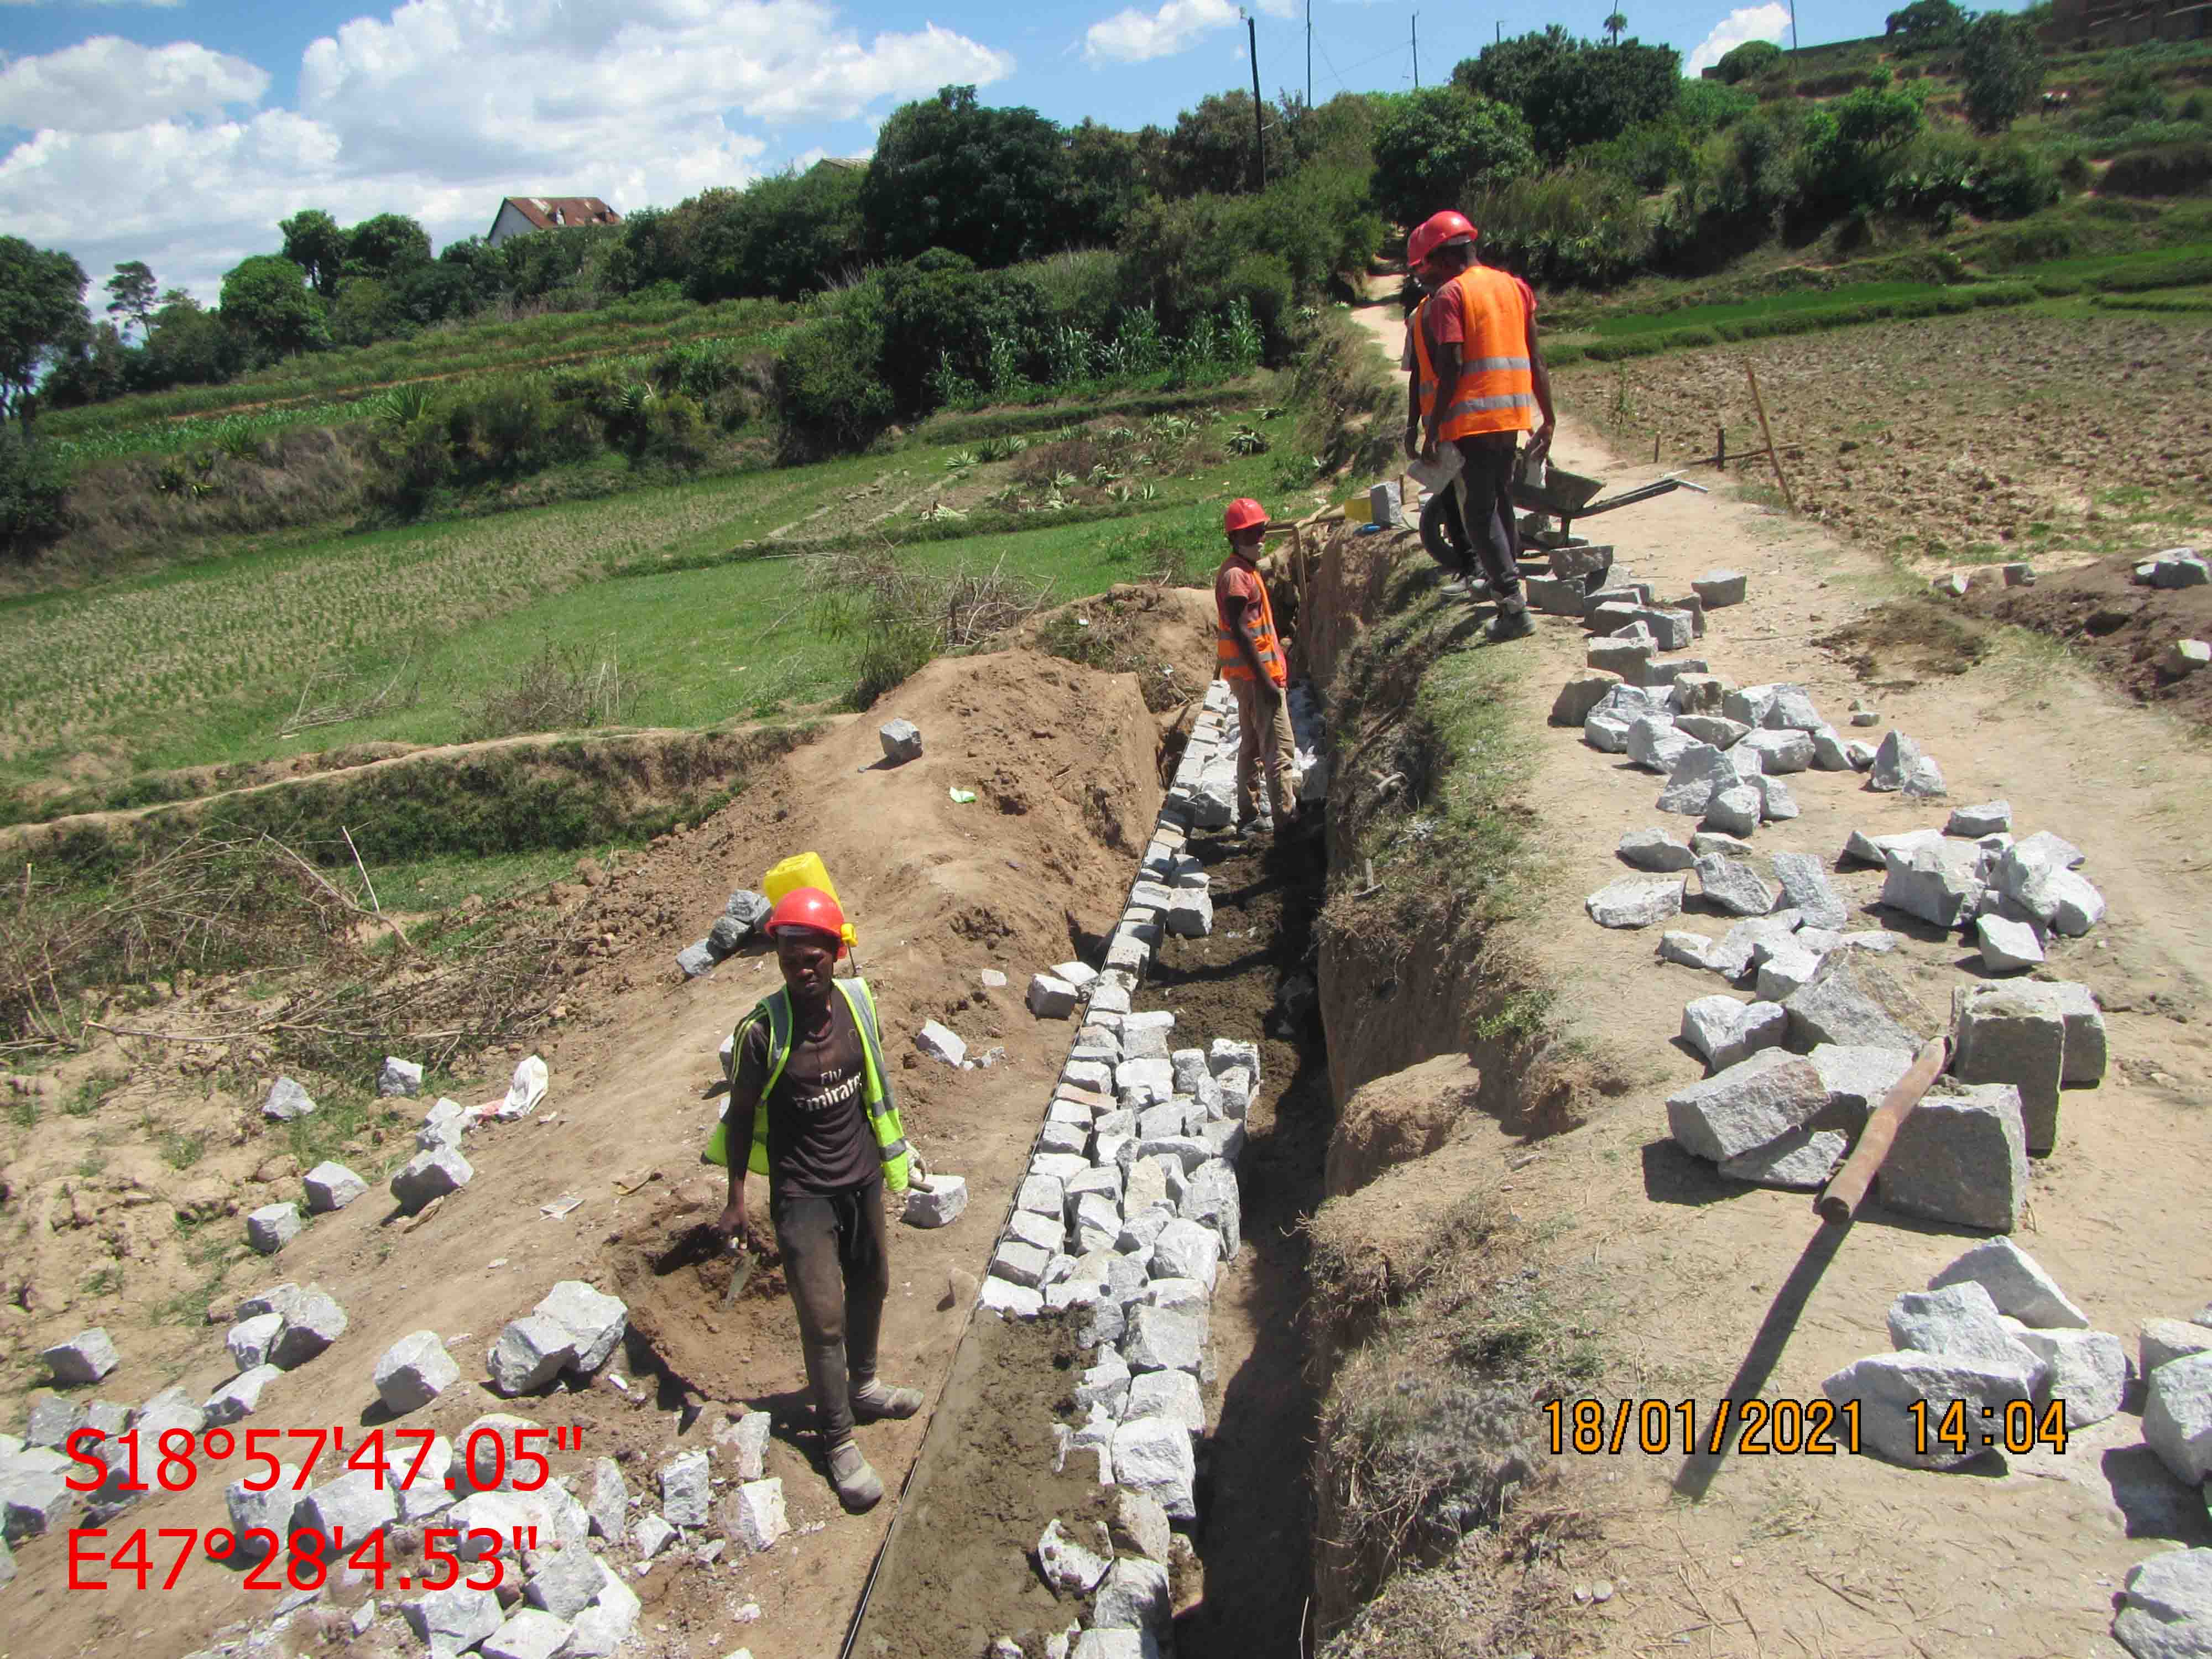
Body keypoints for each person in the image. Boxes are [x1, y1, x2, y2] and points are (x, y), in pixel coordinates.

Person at [712, 886, 920, 1512]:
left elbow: (873, 1086)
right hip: (803, 1193)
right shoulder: (761, 1032)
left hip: (859, 1179)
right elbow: (742, 1115)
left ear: (836, 954)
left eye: (813, 958)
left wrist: (890, 1162)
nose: (801, 970)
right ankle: (836, 1439)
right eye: (789, 957)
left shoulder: (858, 1006)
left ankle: (864, 1386)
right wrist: (735, 1198)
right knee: (823, 1318)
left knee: (874, 1283)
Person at [1406, 208, 1557, 642]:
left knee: (1477, 512)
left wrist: (1432, 430)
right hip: (1509, 415)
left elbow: (1452, 366)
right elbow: (1536, 358)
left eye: (1426, 264)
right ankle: (1510, 589)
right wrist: (1548, 417)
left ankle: (1512, 605)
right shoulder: (1515, 287)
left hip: (1471, 420)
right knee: (1499, 500)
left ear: (1440, 256)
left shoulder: (1451, 297)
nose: (1426, 274)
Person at [1214, 498, 1300, 834]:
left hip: (1251, 676)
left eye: (1262, 531)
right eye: (1253, 533)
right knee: (1280, 748)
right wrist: (1267, 682)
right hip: (1256, 677)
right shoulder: (1238, 577)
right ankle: (1286, 820)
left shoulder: (1242, 570)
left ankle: (1250, 811)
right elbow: (1242, 631)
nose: (1261, 538)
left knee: (1251, 743)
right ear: (1236, 537)